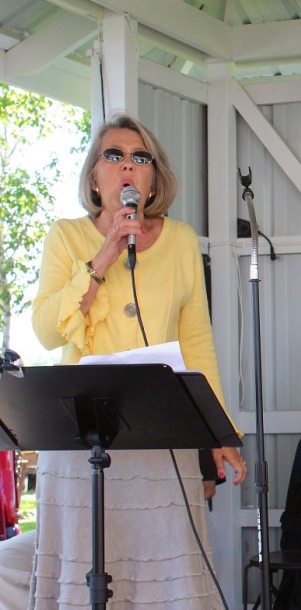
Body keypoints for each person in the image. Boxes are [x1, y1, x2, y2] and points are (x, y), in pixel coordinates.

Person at [30, 114, 246, 608]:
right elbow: (45, 331)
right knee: (86, 577)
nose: (127, 165)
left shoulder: (181, 240)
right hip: (81, 438)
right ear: (94, 177)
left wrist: (219, 432)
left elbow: (197, 342)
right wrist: (102, 258)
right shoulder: (65, 236)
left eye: (140, 157)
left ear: (152, 180)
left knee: (165, 581)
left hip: (160, 434)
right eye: (114, 155)